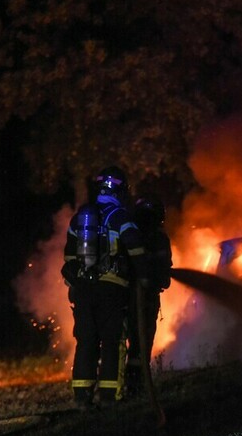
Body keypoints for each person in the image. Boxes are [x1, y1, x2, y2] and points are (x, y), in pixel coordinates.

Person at [61, 166, 148, 409]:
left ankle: (82, 396)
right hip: (112, 289)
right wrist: (144, 276)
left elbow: (69, 257)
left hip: (83, 290)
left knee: (86, 341)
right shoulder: (120, 217)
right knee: (112, 341)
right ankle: (110, 397)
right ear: (120, 190)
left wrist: (77, 281)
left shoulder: (80, 219)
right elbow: (136, 248)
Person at [123, 194, 172, 398]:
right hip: (146, 299)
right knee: (141, 343)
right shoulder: (160, 239)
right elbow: (165, 277)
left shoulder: (128, 234)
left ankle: (121, 385)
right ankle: (136, 384)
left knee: (124, 342)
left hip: (124, 297)